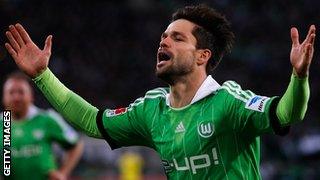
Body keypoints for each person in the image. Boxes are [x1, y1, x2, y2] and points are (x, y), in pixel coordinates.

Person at [4, 4, 316, 179]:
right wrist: (43, 76)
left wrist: (298, 76)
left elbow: (288, 112)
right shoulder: (151, 110)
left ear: (201, 56)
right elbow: (92, 122)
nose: (163, 42)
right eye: (164, 36)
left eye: (177, 38)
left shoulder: (229, 101)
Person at [0, 72, 84, 180]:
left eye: (21, 92)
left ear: (31, 96)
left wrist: (63, 173)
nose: (16, 97)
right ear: (4, 97)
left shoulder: (47, 119)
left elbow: (76, 144)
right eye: (11, 92)